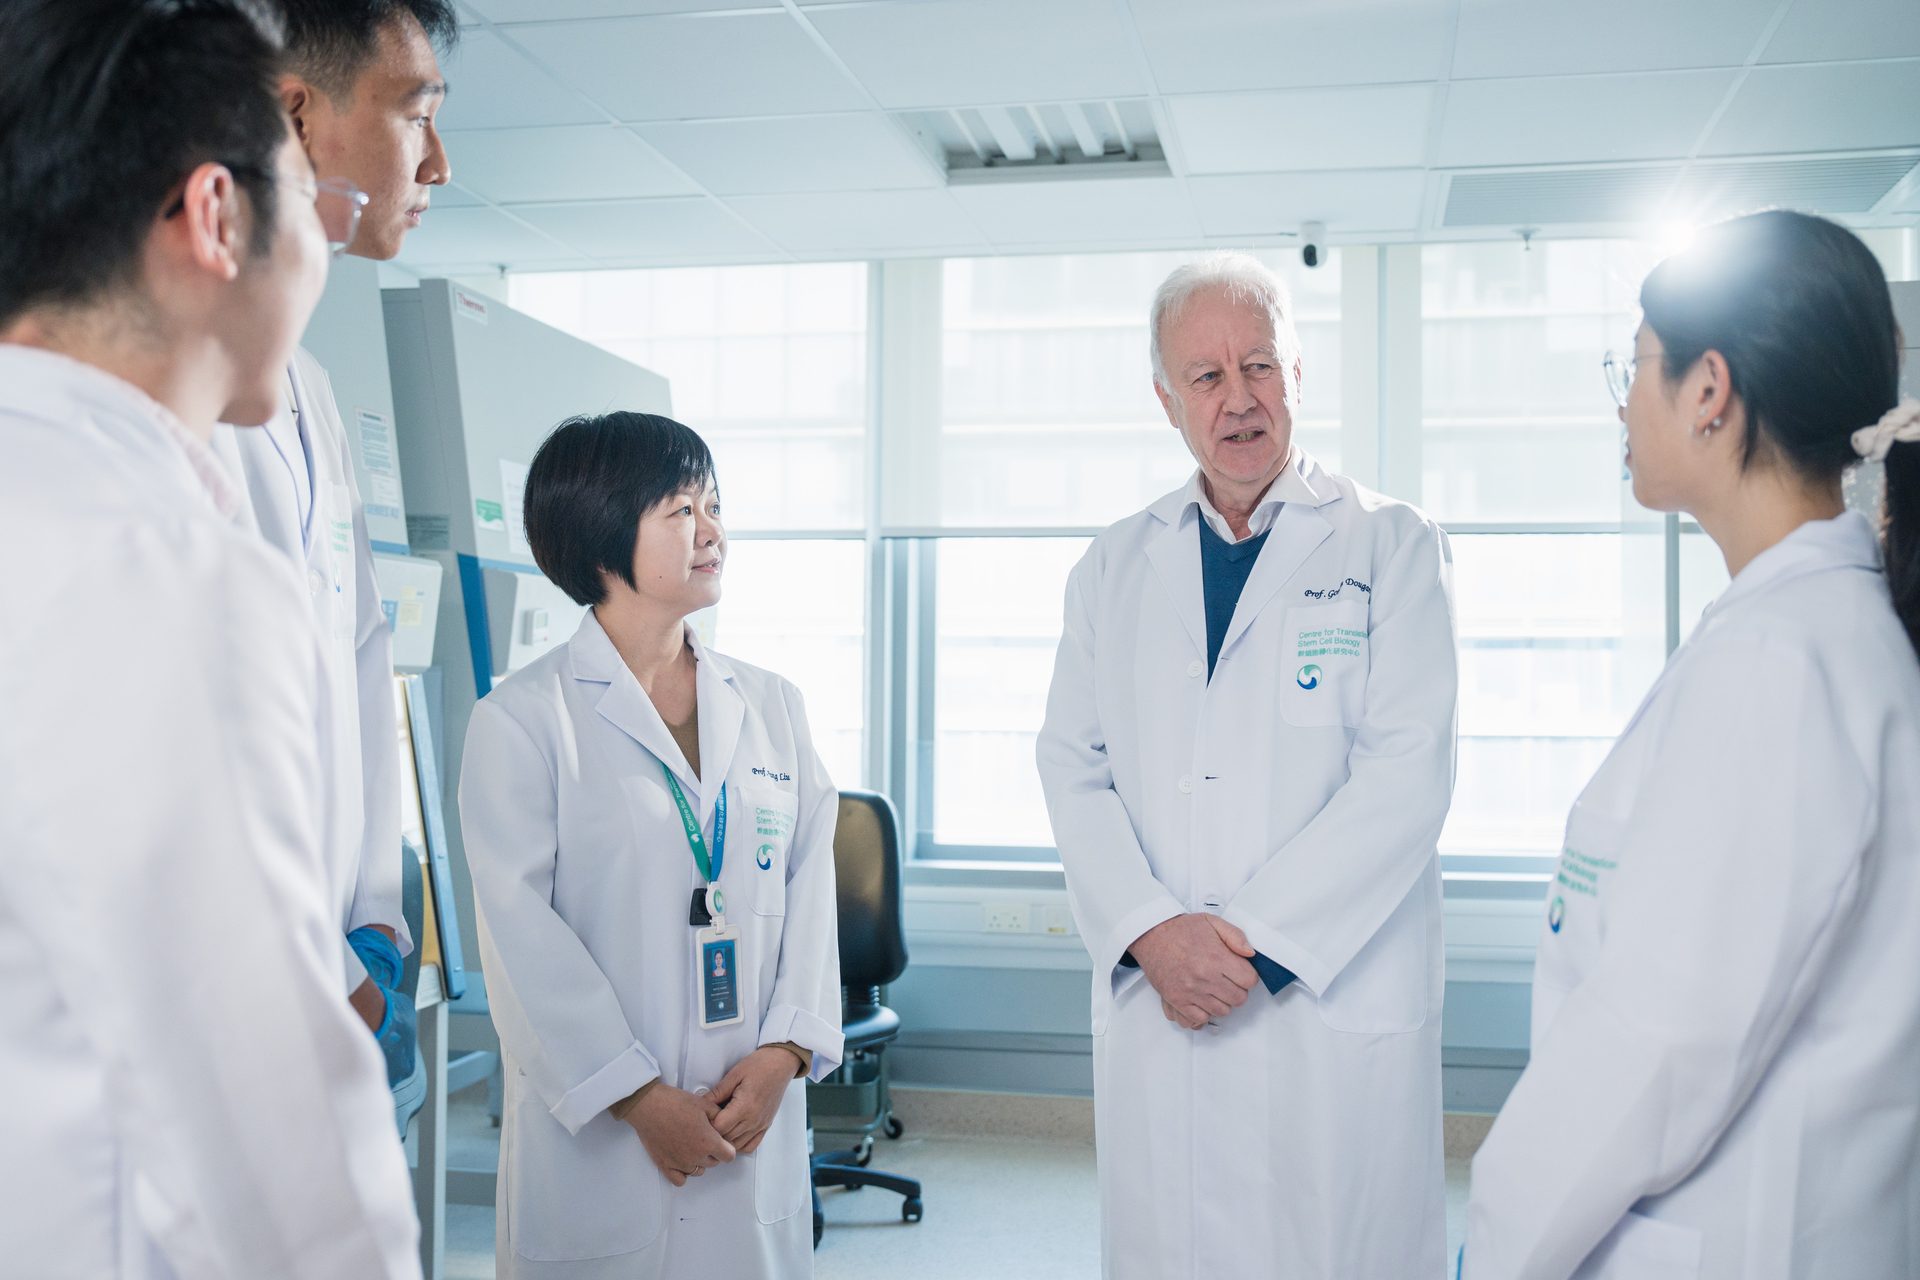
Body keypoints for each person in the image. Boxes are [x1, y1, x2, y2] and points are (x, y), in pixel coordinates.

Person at [0, 1, 420, 1275]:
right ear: (217, 217)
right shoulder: (165, 569)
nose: (324, 239)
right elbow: (279, 1156)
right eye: (305, 195)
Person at [1464, 211, 1920, 1279]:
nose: (1624, 399)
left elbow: (1657, 1041)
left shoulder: (1781, 660)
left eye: (1638, 365)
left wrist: (1494, 1243)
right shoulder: (1819, 633)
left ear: (1710, 390)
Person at [1036, 252, 1458, 1278]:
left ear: (1297, 374)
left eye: (1259, 365)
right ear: (1165, 397)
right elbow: (1070, 762)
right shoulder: (1112, 564)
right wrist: (1150, 930)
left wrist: (1250, 943)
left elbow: (1407, 774)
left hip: (1325, 996)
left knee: (1329, 1244)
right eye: (1207, 376)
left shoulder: (1390, 545)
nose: (1239, 399)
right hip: (1160, 993)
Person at [458, 412, 844, 1280]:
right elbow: (520, 939)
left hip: (753, 1115)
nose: (713, 532)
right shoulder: (522, 722)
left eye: (714, 505)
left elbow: (810, 886)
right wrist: (634, 1096)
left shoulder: (772, 706)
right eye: (681, 510)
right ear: (601, 537)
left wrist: (787, 1052)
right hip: (603, 1138)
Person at [209, 0, 458, 1083]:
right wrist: (318, 966)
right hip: (239, 971)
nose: (437, 163)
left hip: (342, 950)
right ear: (299, 119)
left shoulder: (308, 384)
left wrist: (379, 924)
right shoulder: (186, 386)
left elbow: (363, 656)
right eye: (417, 114)